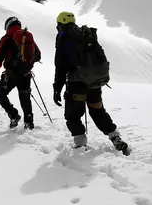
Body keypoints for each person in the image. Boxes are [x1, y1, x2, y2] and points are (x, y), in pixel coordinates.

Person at [53, 12, 130, 155]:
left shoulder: (64, 36)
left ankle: (81, 145)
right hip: (94, 83)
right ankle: (115, 137)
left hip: (76, 85)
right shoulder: (85, 34)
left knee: (73, 116)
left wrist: (57, 88)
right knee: (98, 111)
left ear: (60, 24)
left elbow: (60, 66)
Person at [0, 16, 41, 129]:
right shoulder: (26, 36)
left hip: (10, 75)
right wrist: (26, 63)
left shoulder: (6, 38)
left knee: (0, 94)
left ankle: (13, 115)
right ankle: (29, 122)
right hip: (26, 74)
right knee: (25, 97)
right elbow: (38, 54)